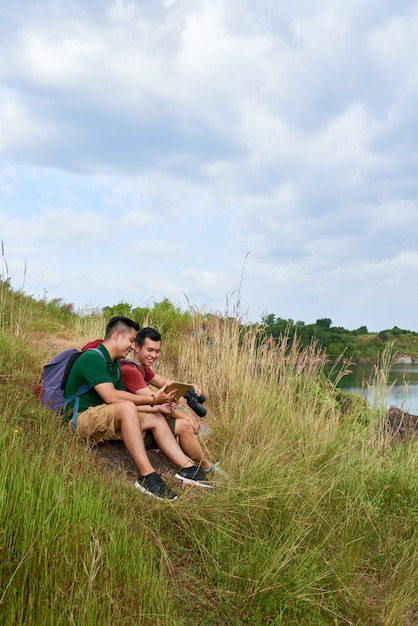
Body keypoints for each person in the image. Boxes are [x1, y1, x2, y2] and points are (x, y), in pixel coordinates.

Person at [64, 316, 210, 501]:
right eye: (132, 340)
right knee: (126, 408)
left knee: (156, 417)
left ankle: (187, 468)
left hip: (103, 416)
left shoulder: (114, 365)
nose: (132, 346)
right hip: (79, 420)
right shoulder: (92, 358)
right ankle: (147, 476)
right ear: (117, 335)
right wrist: (153, 400)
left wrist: (158, 407)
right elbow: (112, 397)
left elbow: (124, 402)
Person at [119, 327, 219, 475]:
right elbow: (154, 402)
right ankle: (206, 468)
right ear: (137, 347)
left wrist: (189, 387)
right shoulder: (130, 370)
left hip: (143, 420)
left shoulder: (142, 368)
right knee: (185, 425)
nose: (154, 355)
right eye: (150, 350)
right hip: (131, 427)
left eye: (157, 351)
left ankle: (205, 466)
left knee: (183, 422)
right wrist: (186, 417)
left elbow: (165, 382)